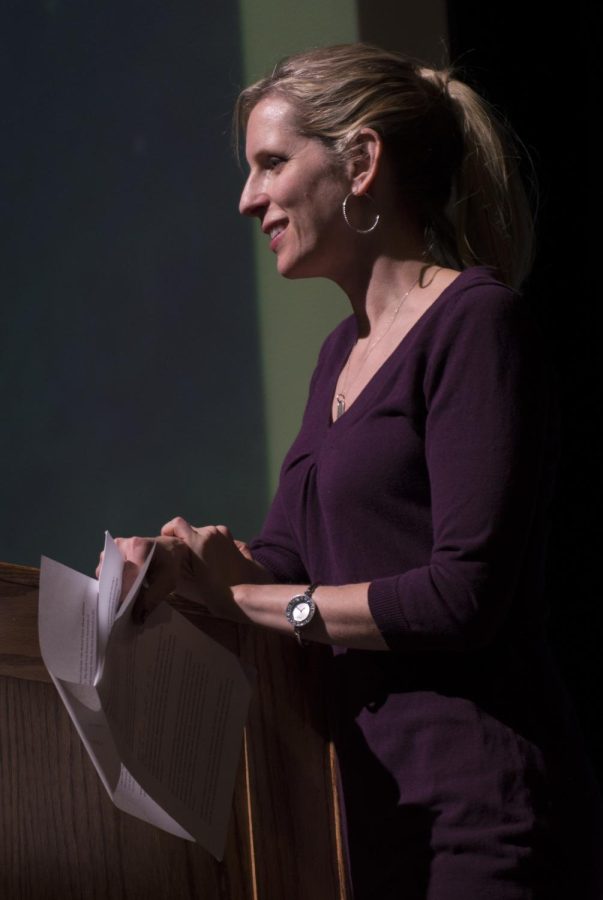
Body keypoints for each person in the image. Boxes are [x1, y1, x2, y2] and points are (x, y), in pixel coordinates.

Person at [109, 44, 602, 899]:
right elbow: (292, 566)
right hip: (367, 818)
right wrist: (191, 567)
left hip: (479, 816)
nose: (246, 198)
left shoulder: (473, 325)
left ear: (361, 162)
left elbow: (462, 594)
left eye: (270, 164)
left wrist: (271, 603)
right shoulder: (339, 355)